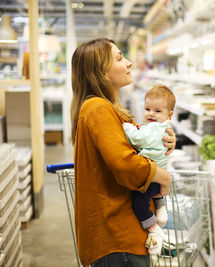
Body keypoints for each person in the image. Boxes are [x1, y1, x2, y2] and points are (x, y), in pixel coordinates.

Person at [70, 38, 176, 267]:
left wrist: (163, 139)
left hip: (120, 236)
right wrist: (164, 177)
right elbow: (124, 163)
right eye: (119, 58)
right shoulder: (97, 108)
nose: (128, 63)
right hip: (118, 237)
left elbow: (125, 141)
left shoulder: (107, 108)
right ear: (101, 72)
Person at [122, 84, 175, 255]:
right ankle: (161, 208)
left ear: (169, 115)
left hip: (150, 175)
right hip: (157, 177)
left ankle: (154, 229)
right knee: (153, 194)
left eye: (157, 111)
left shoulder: (154, 128)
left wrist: (126, 127)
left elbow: (138, 139)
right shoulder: (162, 127)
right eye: (147, 109)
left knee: (139, 203)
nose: (151, 114)